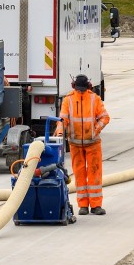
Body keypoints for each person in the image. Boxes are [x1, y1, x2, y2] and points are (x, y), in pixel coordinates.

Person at [56, 74, 110, 216]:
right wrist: (60, 132)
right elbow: (62, 119)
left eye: (83, 89)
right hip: (75, 144)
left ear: (88, 87)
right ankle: (83, 205)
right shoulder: (68, 100)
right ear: (74, 87)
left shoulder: (94, 98)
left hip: (92, 143)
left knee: (94, 173)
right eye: (79, 89)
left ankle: (96, 205)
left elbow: (105, 117)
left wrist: (95, 129)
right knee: (79, 174)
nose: (80, 92)